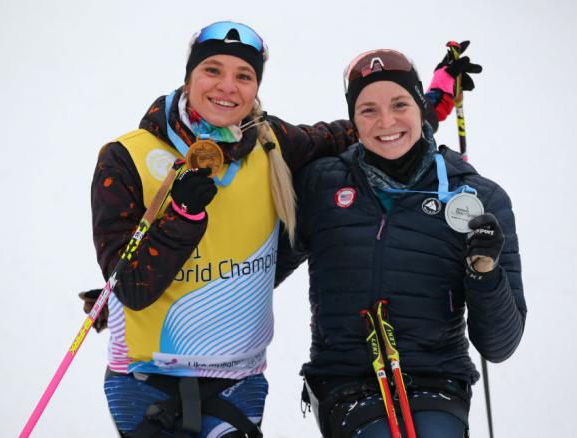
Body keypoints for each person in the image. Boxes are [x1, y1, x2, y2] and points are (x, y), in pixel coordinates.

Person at [83, 20, 477, 437]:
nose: (227, 87)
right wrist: (181, 215)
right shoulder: (126, 158)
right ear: (189, 77)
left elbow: (373, 131)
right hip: (145, 378)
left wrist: (433, 98)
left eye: (244, 75)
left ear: (256, 87)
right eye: (212, 70)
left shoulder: (272, 143)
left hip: (237, 379)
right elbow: (132, 289)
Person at [275, 47, 526, 437]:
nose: (386, 121)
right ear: (353, 121)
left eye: (399, 104)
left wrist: (485, 271)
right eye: (368, 110)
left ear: (418, 108)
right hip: (346, 382)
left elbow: (499, 345)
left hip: (437, 380)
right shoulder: (321, 185)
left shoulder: (477, 199)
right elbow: (263, 270)